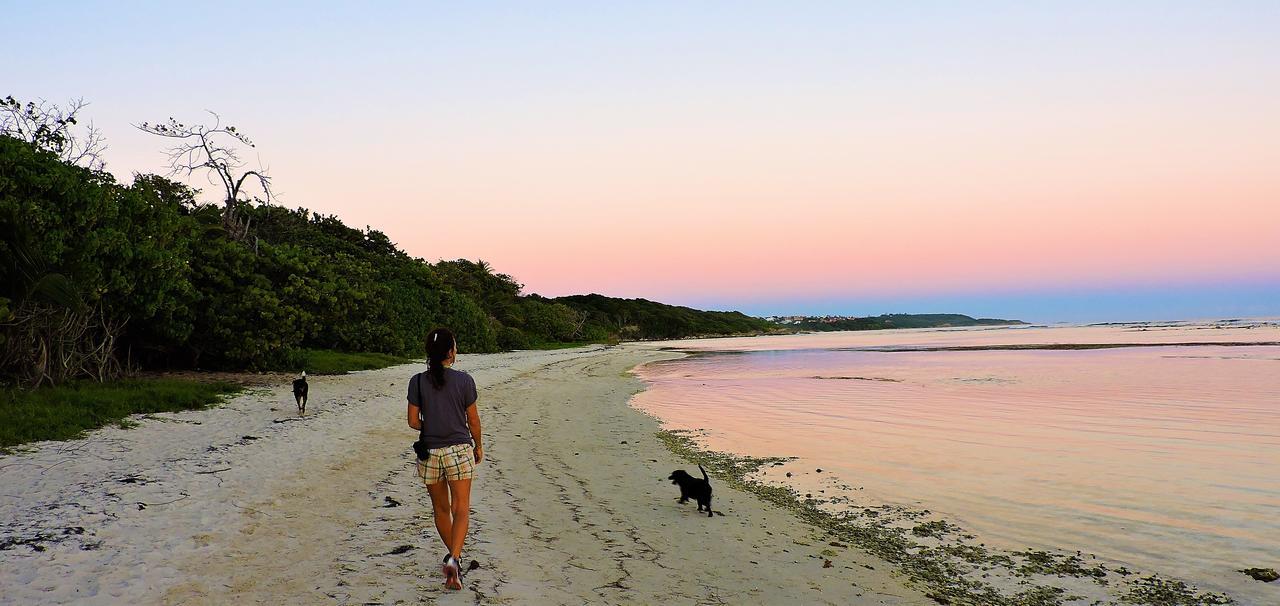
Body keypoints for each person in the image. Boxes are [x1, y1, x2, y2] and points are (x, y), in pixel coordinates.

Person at [406, 327, 482, 590]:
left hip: (430, 454)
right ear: (451, 352)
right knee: (461, 507)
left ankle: (453, 558)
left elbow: (413, 421)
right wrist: (479, 446)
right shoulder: (464, 380)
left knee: (441, 509)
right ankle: (455, 558)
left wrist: (433, 423)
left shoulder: (416, 381)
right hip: (459, 450)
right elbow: (473, 420)